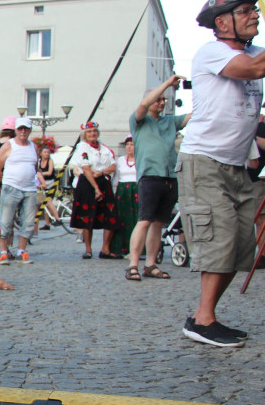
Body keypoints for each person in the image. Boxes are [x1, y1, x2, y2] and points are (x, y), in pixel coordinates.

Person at [177, 0, 265, 347]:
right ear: (222, 21)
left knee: (239, 245)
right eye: (246, 11)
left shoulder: (256, 52)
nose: (255, 16)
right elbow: (252, 68)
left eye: (255, 10)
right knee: (219, 239)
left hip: (237, 164)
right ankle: (202, 319)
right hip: (204, 162)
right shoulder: (212, 52)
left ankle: (204, 317)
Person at [125, 76, 191, 281]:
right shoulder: (139, 121)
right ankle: (133, 264)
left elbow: (194, 115)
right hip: (150, 176)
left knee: (158, 223)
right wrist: (167, 84)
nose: (162, 102)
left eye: (164, 100)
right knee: (144, 220)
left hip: (170, 177)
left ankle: (150, 264)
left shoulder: (170, 121)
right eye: (159, 99)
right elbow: (145, 103)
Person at [0, 116, 43, 264]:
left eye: (26, 129)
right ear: (16, 130)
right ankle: (3, 252)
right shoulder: (9, 145)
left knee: (28, 222)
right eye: (20, 128)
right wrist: (6, 183)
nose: (23, 131)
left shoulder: (34, 147)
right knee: (5, 221)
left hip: (29, 189)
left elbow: (35, 167)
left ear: (30, 131)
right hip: (11, 188)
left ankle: (21, 251)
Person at [70, 122, 123, 259]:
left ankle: (105, 249)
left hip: (103, 180)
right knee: (88, 216)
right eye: (89, 132)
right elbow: (86, 168)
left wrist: (101, 172)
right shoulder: (82, 147)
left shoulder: (104, 148)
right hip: (88, 184)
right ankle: (88, 249)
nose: (92, 134)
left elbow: (113, 166)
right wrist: (96, 188)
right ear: (85, 134)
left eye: (94, 131)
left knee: (111, 215)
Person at [112, 136, 140, 259]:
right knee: (122, 220)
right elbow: (116, 178)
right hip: (123, 191)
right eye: (127, 144)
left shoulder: (140, 160)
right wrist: (114, 191)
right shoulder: (120, 161)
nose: (129, 147)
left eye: (132, 144)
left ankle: (136, 249)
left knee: (136, 220)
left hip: (136, 190)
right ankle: (120, 248)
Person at [37, 145, 62, 229]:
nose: (46, 154)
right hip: (43, 184)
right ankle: (47, 224)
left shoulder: (50, 161)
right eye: (44, 152)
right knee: (45, 204)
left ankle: (57, 219)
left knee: (48, 202)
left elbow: (49, 172)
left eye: (48, 152)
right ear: (40, 153)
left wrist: (39, 174)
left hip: (51, 184)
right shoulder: (39, 161)